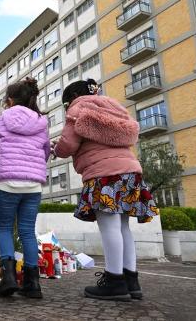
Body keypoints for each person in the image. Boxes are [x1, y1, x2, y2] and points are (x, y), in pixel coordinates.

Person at [53, 79, 158, 301]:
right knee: (122, 227)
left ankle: (114, 281)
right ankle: (132, 281)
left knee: (109, 226)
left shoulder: (79, 107)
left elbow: (68, 145)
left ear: (71, 98)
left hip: (104, 174)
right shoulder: (114, 108)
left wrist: (55, 148)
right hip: (131, 171)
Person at [0, 77, 49, 298]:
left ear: (10, 101)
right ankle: (33, 284)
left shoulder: (2, 120)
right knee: (28, 231)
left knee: (4, 229)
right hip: (33, 186)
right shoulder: (41, 122)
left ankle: (9, 278)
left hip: (8, 183)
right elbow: (46, 151)